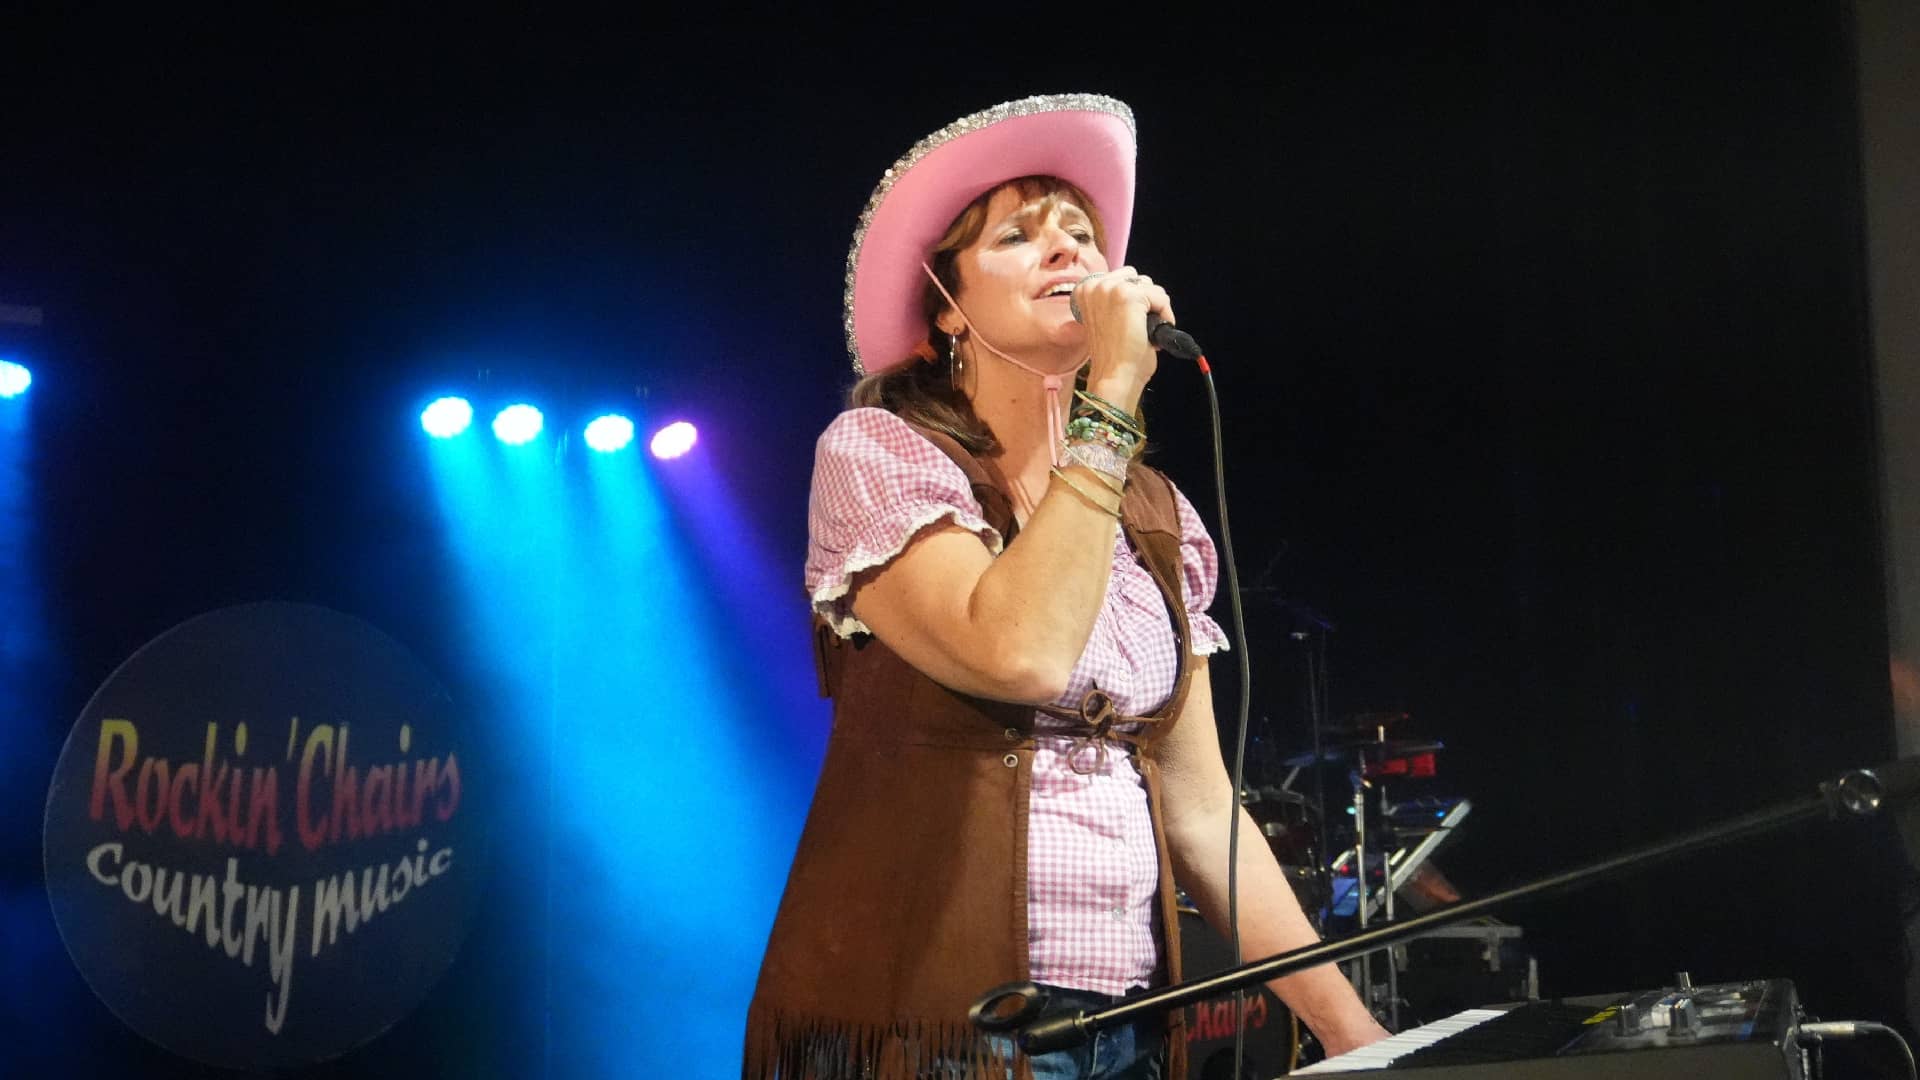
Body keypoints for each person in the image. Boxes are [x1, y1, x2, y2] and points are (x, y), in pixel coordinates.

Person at [746, 93, 1389, 1080]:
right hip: (944, 1024)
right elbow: (1020, 651)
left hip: (1128, 1018)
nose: (1068, 251)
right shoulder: (882, 453)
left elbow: (1200, 807)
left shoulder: (1154, 515)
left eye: (1081, 232)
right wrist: (1115, 398)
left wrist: (1352, 1033)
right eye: (1018, 234)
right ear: (948, 308)